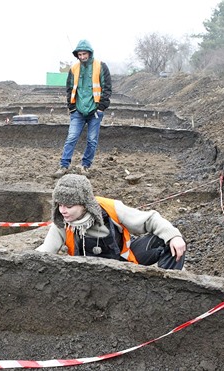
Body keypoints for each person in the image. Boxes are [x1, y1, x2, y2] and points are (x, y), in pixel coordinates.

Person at [36, 174, 186, 270]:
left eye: (69, 206)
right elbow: (46, 250)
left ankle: (163, 292)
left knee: (167, 241)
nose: (62, 210)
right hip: (84, 275)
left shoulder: (110, 208)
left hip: (123, 263)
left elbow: (150, 220)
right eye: (60, 205)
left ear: (84, 204)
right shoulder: (62, 220)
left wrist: (174, 237)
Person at [54, 39, 112, 178]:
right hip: (78, 111)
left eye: (84, 54)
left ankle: (85, 165)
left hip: (95, 112)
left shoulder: (101, 66)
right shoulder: (74, 69)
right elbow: (69, 88)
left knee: (92, 140)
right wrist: (72, 107)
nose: (82, 57)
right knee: (71, 137)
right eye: (79, 55)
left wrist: (101, 108)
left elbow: (107, 88)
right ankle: (64, 165)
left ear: (89, 53)